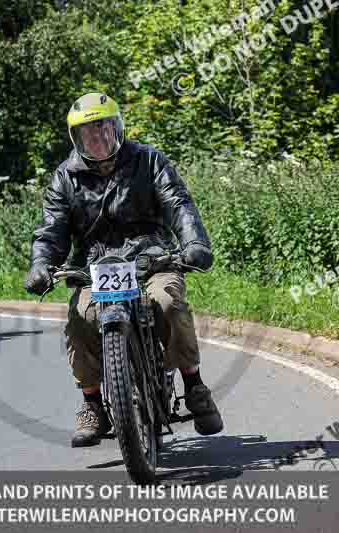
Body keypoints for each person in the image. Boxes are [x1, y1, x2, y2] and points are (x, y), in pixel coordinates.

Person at [24, 93, 223, 447]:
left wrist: (195, 244)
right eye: (88, 132)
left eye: (103, 128)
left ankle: (194, 384)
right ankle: (92, 404)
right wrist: (41, 264)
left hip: (152, 258)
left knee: (166, 302)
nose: (97, 137)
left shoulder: (148, 160)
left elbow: (178, 204)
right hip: (94, 267)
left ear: (117, 127)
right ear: (77, 139)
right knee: (80, 316)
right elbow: (51, 230)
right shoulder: (64, 178)